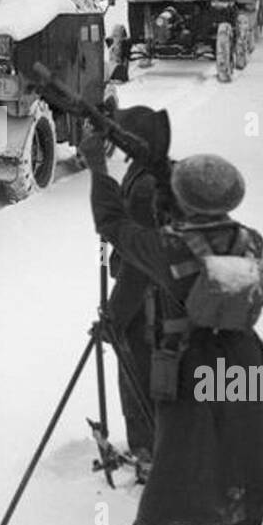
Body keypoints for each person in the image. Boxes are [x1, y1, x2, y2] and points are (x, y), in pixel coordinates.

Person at [77, 137, 263, 525]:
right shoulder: (250, 240)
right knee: (246, 456)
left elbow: (113, 224)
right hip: (244, 358)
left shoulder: (168, 248)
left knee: (174, 462)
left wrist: (99, 168)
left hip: (188, 363)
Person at [102, 106, 174, 482]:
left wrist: (115, 316)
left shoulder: (146, 185)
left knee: (138, 369)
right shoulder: (154, 172)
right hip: (158, 297)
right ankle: (155, 447)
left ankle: (149, 452)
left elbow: (139, 263)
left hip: (148, 303)